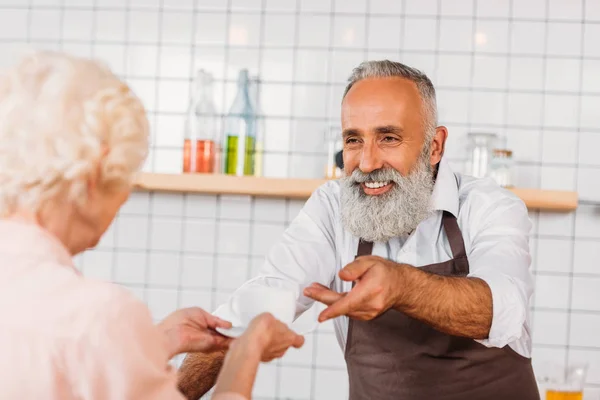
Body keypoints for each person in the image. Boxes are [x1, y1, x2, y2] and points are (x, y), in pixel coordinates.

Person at [178, 60, 540, 400]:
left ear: (434, 146)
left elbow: (501, 309)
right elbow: (262, 303)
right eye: (353, 140)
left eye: (388, 138)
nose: (366, 163)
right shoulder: (332, 207)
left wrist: (402, 286)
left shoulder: (489, 207)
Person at [0, 51, 303, 400]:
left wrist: (157, 342)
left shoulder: (93, 325)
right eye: (128, 178)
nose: (125, 197)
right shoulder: (100, 315)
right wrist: (248, 350)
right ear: (96, 175)